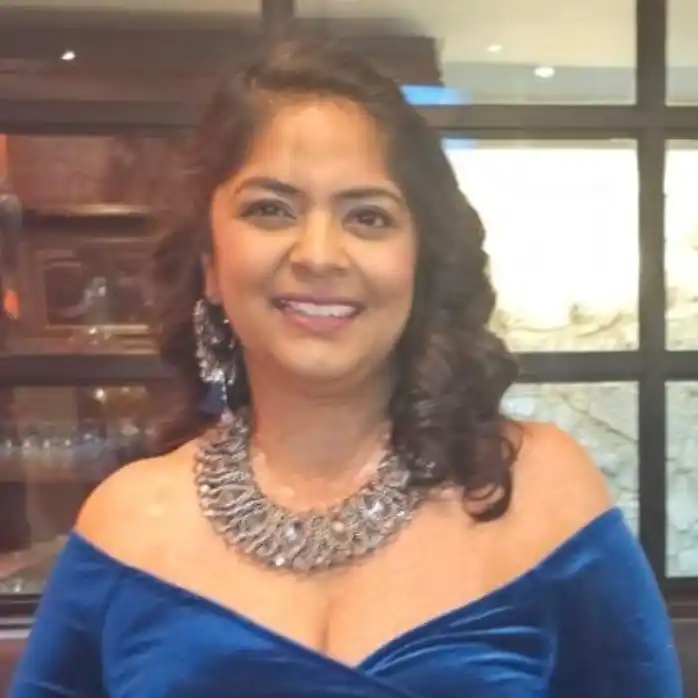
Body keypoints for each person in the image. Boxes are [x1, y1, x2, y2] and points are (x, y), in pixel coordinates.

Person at [10, 35, 682, 698]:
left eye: (368, 217)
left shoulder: (541, 493)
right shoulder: (128, 525)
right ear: (209, 264)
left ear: (420, 262)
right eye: (270, 209)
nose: (319, 255)